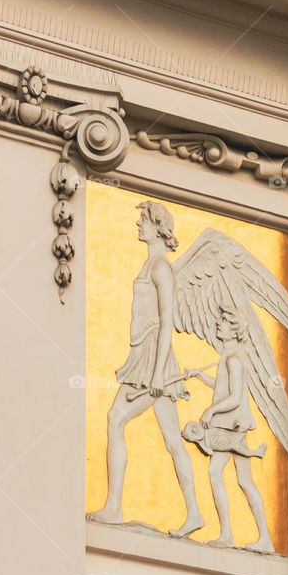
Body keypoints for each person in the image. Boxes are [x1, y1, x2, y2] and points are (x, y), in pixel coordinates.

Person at [89, 201, 203, 537]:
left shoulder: (161, 268)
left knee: (115, 419)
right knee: (172, 441)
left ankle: (113, 507)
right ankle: (195, 513)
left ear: (158, 227)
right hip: (146, 353)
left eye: (143, 220)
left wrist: (156, 374)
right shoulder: (150, 263)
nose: (138, 224)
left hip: (153, 356)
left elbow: (167, 321)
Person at [181, 310, 274, 554]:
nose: (217, 325)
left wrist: (210, 411)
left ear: (234, 330)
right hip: (232, 425)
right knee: (244, 480)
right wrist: (202, 377)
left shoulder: (234, 359)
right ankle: (261, 537)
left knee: (218, 473)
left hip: (229, 425)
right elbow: (224, 387)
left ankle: (230, 534)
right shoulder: (230, 356)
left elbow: (234, 397)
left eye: (222, 323)